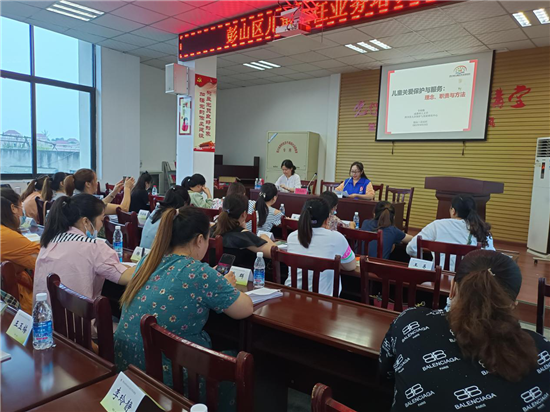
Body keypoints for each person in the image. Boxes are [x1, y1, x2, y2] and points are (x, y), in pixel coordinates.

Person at [379, 250, 550, 411]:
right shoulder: (543, 351)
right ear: (512, 305)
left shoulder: (410, 322)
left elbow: (384, 373)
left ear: (452, 288)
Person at [114, 206, 253, 384]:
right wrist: (224, 284)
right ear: (200, 240)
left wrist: (215, 281)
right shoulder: (198, 272)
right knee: (235, 357)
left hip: (127, 369)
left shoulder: (149, 261)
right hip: (169, 378)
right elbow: (245, 308)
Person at [33, 194, 135, 305]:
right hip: (78, 315)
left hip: (45, 313)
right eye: (101, 220)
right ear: (85, 221)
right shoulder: (93, 246)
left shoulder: (49, 241)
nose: (101, 225)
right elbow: (128, 277)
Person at [285, 198, 356, 296]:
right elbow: (351, 266)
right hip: (323, 301)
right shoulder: (337, 238)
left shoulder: (292, 237)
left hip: (291, 296)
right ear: (327, 219)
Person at [406, 194, 495, 271]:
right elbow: (492, 258)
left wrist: (422, 261)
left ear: (453, 211)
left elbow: (411, 248)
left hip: (436, 278)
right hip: (466, 282)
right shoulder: (482, 230)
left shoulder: (437, 225)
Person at [0, 188, 40, 313]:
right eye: (21, 207)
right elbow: (41, 259)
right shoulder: (6, 236)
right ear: (13, 208)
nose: (22, 213)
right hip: (18, 305)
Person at [211, 194, 276, 267]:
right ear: (244, 214)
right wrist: (265, 237)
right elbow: (274, 252)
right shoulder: (242, 235)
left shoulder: (212, 229)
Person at [64, 168, 135, 215]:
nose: (97, 183)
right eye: (95, 180)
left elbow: (100, 204)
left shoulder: (77, 198)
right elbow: (124, 209)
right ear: (88, 184)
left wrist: (114, 192)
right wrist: (127, 188)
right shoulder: (88, 202)